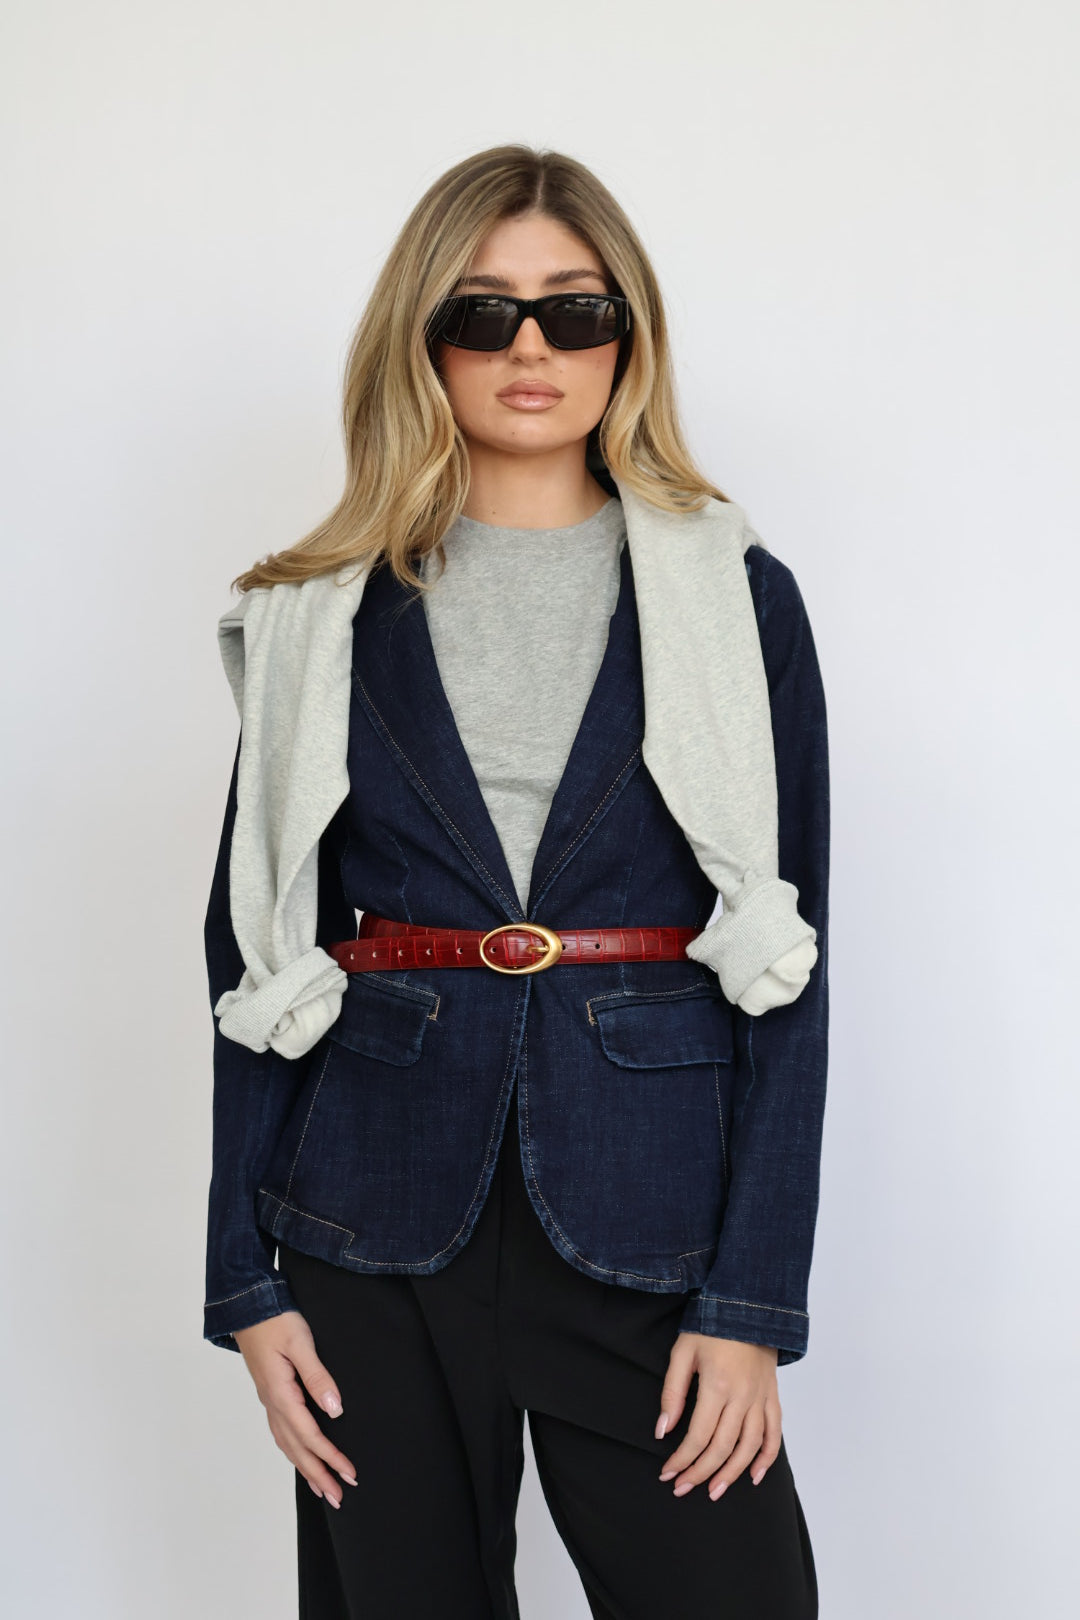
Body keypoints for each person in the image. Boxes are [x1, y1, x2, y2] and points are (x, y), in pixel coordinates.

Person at [203, 144, 830, 1619]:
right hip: (368, 1212)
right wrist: (245, 1280)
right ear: (422, 341)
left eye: (574, 309)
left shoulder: (739, 597)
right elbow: (254, 951)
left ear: (629, 336)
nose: (531, 347)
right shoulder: (319, 609)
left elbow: (794, 956)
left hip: (653, 1212)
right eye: (483, 314)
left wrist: (752, 1302)